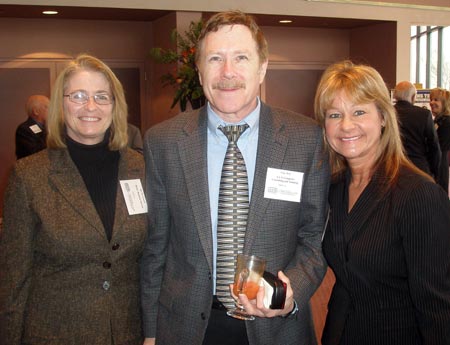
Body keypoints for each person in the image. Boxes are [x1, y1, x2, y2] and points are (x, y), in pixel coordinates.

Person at [141, 10, 329, 345]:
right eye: (215, 59)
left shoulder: (305, 139)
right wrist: (151, 333)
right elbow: (156, 246)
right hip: (186, 327)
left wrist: (289, 292)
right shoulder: (163, 142)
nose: (228, 72)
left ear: (262, 67)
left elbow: (314, 238)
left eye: (241, 57)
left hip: (274, 327)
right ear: (199, 72)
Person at [0, 54, 147, 345]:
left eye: (101, 96)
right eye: (78, 95)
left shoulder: (141, 168)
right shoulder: (29, 176)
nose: (90, 106)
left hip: (128, 332)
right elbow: (13, 281)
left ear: (115, 105)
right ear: (61, 104)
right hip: (55, 333)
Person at [314, 60, 450, 345]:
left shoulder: (418, 195)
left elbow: (438, 308)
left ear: (384, 117)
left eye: (359, 111)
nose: (346, 125)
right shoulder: (334, 188)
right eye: (334, 114)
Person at [393, 81, 440, 178]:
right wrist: (434, 170)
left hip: (393, 168)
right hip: (419, 168)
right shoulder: (424, 114)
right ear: (413, 96)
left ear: (395, 96)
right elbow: (434, 146)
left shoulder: (387, 114)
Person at [15, 94, 49, 159]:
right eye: (47, 107)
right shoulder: (24, 129)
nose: (51, 111)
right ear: (36, 111)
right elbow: (34, 153)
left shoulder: (47, 127)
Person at [430, 87, 450, 194]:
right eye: (431, 99)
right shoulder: (437, 120)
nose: (431, 102)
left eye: (436, 100)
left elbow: (439, 146)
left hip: (440, 164)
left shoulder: (447, 122)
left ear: (444, 103)